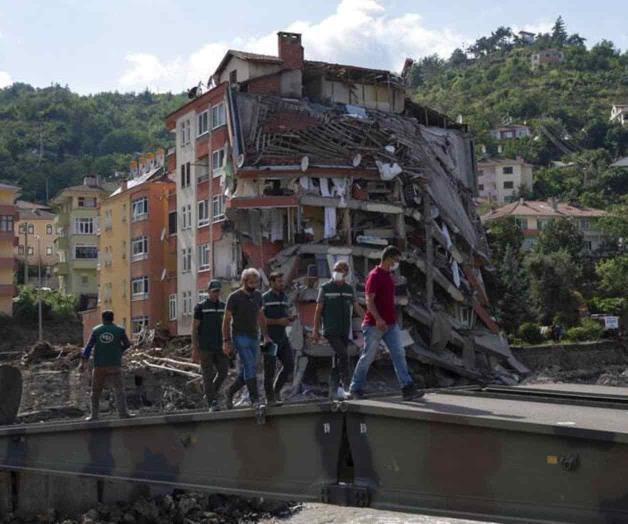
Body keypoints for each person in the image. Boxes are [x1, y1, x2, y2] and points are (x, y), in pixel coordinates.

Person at [350, 246, 422, 401]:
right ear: (388, 258)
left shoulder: (388, 275)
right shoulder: (374, 276)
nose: (396, 263)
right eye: (395, 260)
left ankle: (407, 388)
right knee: (368, 357)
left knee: (399, 354)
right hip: (374, 325)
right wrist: (378, 319)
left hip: (391, 325)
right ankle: (355, 388)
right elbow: (369, 301)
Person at [313, 260, 364, 400]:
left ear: (346, 273)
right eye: (336, 269)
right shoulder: (325, 288)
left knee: (337, 360)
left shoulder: (349, 289)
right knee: (343, 355)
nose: (337, 272)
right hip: (331, 330)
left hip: (344, 330)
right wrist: (315, 330)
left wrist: (367, 320)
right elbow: (318, 310)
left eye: (341, 270)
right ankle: (347, 387)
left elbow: (357, 306)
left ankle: (333, 391)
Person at [222, 268, 271, 409]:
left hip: (254, 336)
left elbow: (261, 316)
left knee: (251, 368)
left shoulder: (258, 296)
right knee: (249, 365)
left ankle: (230, 392)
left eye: (256, 282)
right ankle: (255, 399)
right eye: (251, 282)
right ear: (244, 282)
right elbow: (226, 320)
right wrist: (226, 341)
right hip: (239, 336)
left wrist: (265, 335)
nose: (254, 285)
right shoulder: (234, 297)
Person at [79, 310, 133, 420]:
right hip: (114, 365)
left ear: (102, 319)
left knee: (96, 391)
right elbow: (127, 344)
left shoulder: (96, 331)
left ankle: (94, 415)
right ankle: (123, 414)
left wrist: (83, 363)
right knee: (119, 389)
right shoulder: (120, 330)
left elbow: (88, 347)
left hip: (99, 365)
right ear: (113, 318)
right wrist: (119, 351)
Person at [192, 280, 229, 411]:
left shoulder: (224, 306)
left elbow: (228, 325)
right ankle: (212, 403)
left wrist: (228, 342)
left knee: (224, 372)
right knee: (207, 376)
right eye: (214, 291)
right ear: (208, 292)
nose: (216, 294)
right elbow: (195, 329)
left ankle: (211, 393)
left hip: (220, 347)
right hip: (205, 347)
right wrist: (195, 348)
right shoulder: (200, 307)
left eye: (218, 291)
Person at [262, 272, 296, 405]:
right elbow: (261, 320)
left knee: (289, 365)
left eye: (282, 281)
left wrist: (290, 318)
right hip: (269, 339)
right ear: (271, 283)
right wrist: (278, 322)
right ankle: (270, 398)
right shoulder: (264, 298)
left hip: (282, 338)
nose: (282, 284)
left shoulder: (285, 297)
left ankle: (276, 391)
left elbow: (285, 315)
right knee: (269, 370)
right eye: (279, 281)